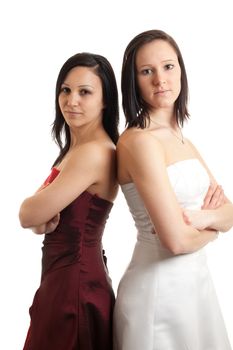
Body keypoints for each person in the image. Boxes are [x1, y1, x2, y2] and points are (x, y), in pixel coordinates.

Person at [113, 29, 233, 350]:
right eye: (146, 71)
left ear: (181, 69)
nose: (160, 80)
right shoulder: (140, 141)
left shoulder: (181, 137)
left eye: (168, 67)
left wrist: (197, 219)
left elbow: (230, 212)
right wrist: (211, 225)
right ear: (133, 81)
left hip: (197, 288)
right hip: (159, 296)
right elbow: (176, 241)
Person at [19, 52, 119, 350]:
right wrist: (40, 219)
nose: (71, 100)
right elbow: (38, 218)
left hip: (75, 286)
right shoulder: (76, 149)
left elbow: (27, 213)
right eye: (65, 90)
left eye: (84, 92)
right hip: (63, 279)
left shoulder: (95, 152)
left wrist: (37, 215)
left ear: (105, 101)